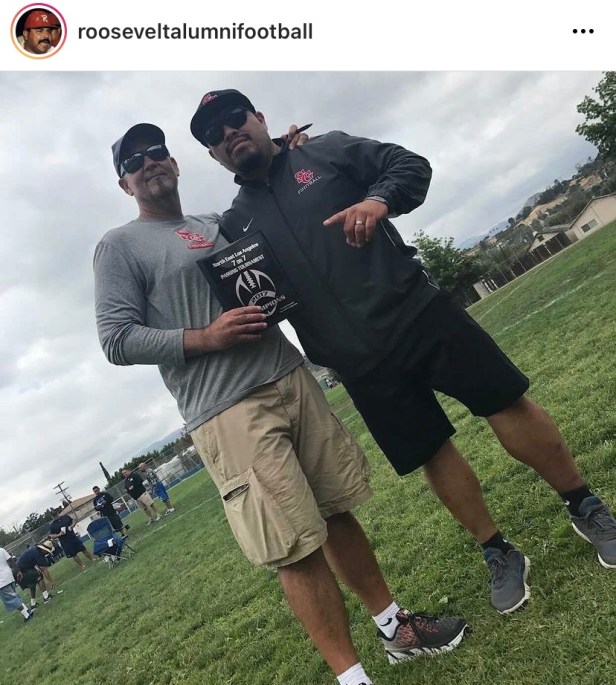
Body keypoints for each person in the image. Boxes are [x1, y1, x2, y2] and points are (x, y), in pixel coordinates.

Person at [190, 89, 616, 616]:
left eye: (235, 118)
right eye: (214, 134)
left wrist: (379, 201)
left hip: (419, 313)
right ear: (212, 154)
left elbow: (409, 166)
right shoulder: (234, 225)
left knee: (505, 403)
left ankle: (585, 505)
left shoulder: (325, 152)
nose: (229, 132)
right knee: (431, 451)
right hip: (357, 361)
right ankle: (497, 551)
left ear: (259, 117)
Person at [93, 122, 469, 685]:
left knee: (335, 512)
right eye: (133, 162)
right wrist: (206, 337)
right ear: (125, 184)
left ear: (175, 163)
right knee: (294, 545)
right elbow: (116, 339)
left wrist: (285, 155)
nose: (149, 163)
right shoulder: (119, 246)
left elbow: (271, 215)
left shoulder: (216, 224)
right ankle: (353, 678)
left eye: (157, 152)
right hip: (227, 407)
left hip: (289, 377)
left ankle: (396, 630)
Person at [16, 542, 56, 608]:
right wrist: (52, 581)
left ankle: (33, 604)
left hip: (19, 570)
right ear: (43, 550)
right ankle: (46, 597)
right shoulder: (38, 553)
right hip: (21, 571)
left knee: (32, 585)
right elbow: (44, 570)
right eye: (47, 552)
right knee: (39, 577)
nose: (47, 553)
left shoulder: (35, 551)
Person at [0, 547, 35, 622]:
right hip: (9, 576)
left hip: (2, 582)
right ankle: (27, 610)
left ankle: (27, 615)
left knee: (12, 600)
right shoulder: (1, 550)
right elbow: (11, 561)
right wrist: (18, 571)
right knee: (14, 596)